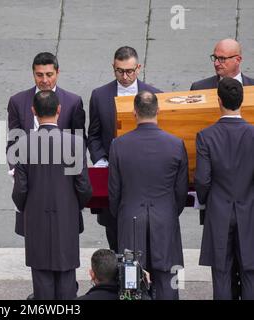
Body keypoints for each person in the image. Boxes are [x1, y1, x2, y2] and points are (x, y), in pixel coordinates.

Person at [11, 90, 92, 300]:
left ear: (33, 111)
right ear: (59, 110)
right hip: (67, 219)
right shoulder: (75, 143)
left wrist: (26, 207)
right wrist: (74, 206)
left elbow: (20, 189)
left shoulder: (23, 144)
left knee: (41, 280)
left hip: (36, 220)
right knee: (66, 277)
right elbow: (83, 188)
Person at [108, 91, 189, 300]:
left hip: (130, 220)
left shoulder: (118, 145)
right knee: (169, 281)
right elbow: (181, 193)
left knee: (130, 284)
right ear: (158, 110)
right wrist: (169, 211)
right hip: (165, 219)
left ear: (134, 112)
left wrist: (123, 213)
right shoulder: (176, 144)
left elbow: (114, 192)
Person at [87, 46, 162, 252]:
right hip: (113, 177)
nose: (125, 76)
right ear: (113, 67)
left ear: (138, 68)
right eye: (120, 71)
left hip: (145, 179)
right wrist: (101, 160)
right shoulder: (100, 95)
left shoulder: (156, 95)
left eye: (129, 71)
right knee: (115, 238)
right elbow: (93, 135)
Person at [7, 52, 86, 237]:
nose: (44, 80)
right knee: (33, 235)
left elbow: (80, 140)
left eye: (49, 74)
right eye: (39, 75)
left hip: (61, 182)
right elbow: (13, 140)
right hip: (30, 176)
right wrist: (14, 169)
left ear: (57, 73)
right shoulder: (18, 102)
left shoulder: (73, 102)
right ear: (33, 74)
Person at [195, 78, 254, 300]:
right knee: (250, 271)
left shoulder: (206, 136)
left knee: (221, 273)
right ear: (242, 100)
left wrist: (208, 200)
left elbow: (202, 180)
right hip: (249, 210)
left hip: (219, 211)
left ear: (218, 100)